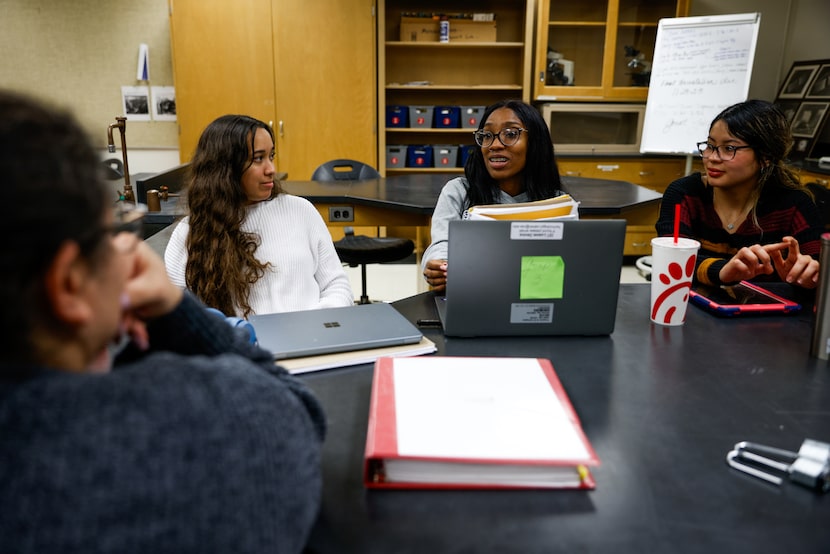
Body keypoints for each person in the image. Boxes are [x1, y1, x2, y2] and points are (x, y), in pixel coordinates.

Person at [0, 91, 325, 553]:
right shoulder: (233, 417)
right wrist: (176, 311)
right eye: (112, 233)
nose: (270, 168)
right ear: (68, 285)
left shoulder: (299, 213)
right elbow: (296, 414)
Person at [165, 115, 353, 317]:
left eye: (271, 156)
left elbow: (337, 285)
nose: (271, 169)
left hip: (312, 339)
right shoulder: (190, 233)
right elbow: (173, 313)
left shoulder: (301, 211)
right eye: (258, 159)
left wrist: (313, 324)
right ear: (225, 168)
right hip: (242, 345)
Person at [656, 99, 823, 289]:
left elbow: (818, 270)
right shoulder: (684, 194)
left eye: (729, 148)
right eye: (710, 146)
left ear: (765, 157)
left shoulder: (795, 205)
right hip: (692, 310)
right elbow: (671, 262)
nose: (711, 158)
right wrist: (723, 271)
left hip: (768, 316)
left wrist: (806, 277)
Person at [422, 99, 564, 291]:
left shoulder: (557, 203)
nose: (494, 145)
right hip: (473, 296)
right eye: (487, 135)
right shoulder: (459, 191)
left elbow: (563, 264)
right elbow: (442, 243)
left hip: (534, 298)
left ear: (536, 143)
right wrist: (438, 264)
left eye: (511, 134)